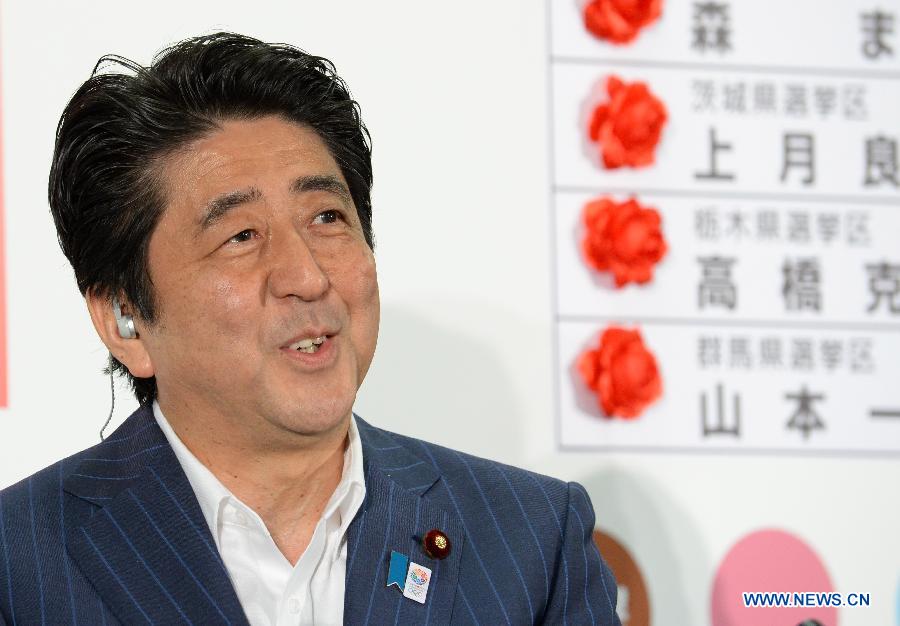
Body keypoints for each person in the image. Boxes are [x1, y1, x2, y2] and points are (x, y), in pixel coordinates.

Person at [0, 33, 619, 625]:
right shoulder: (19, 563)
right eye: (240, 236)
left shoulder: (531, 539)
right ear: (125, 322)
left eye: (327, 217)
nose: (307, 274)